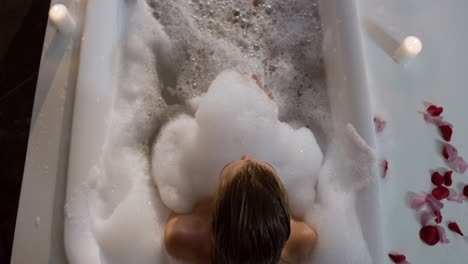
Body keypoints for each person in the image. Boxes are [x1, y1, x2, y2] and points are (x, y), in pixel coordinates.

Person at [163, 153, 318, 264]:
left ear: (214, 217)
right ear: (282, 213)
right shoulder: (303, 240)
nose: (247, 156)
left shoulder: (180, 238)